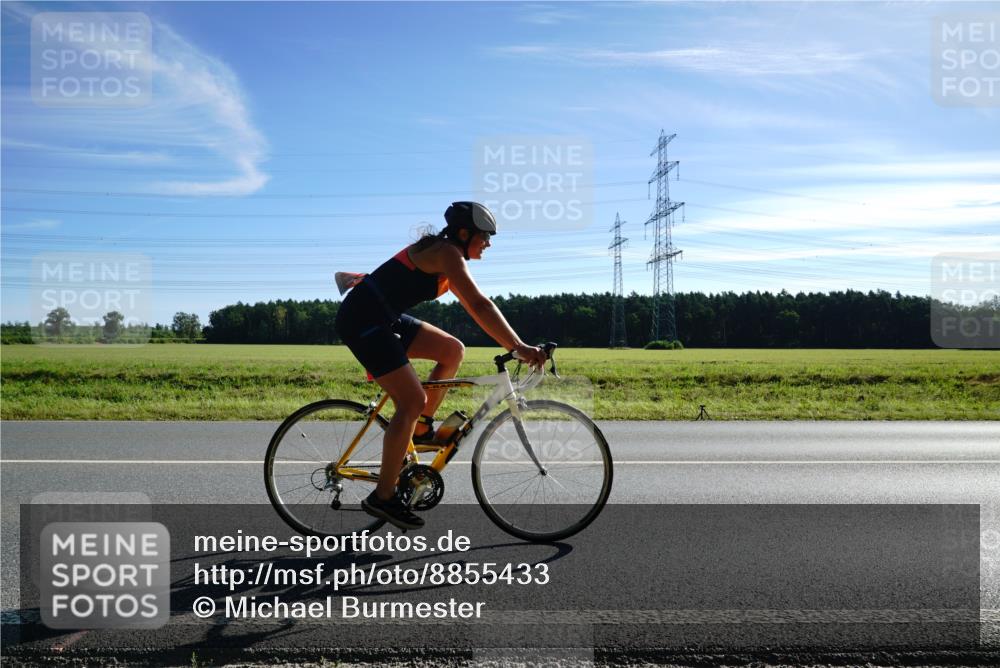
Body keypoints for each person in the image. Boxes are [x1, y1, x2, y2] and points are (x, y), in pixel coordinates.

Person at [334, 202, 547, 530]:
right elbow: (478, 304)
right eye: (485, 236)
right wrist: (517, 347)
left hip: (382, 317)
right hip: (363, 321)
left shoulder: (445, 252)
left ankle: (419, 430)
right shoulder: (448, 253)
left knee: (452, 351)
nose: (488, 243)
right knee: (411, 400)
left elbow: (397, 277)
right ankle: (383, 496)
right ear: (464, 234)